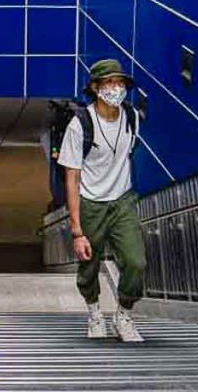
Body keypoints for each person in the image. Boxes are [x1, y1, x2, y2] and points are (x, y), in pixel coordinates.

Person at [57, 59, 145, 342]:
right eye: (109, 83)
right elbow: (71, 177)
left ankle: (123, 314)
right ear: (95, 88)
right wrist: (77, 229)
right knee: (89, 266)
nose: (115, 89)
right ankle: (95, 312)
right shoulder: (80, 124)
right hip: (91, 202)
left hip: (122, 200)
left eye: (119, 83)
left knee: (135, 262)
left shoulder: (132, 118)